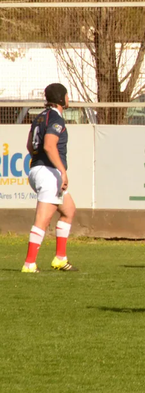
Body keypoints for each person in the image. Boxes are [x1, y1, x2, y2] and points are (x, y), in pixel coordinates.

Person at [22, 83, 78, 273]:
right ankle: (29, 263)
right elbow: (48, 146)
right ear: (62, 98)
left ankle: (60, 258)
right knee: (43, 220)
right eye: (67, 95)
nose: (68, 98)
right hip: (48, 172)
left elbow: (30, 146)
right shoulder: (56, 119)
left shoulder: (39, 117)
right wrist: (62, 171)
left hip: (38, 169)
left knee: (68, 210)